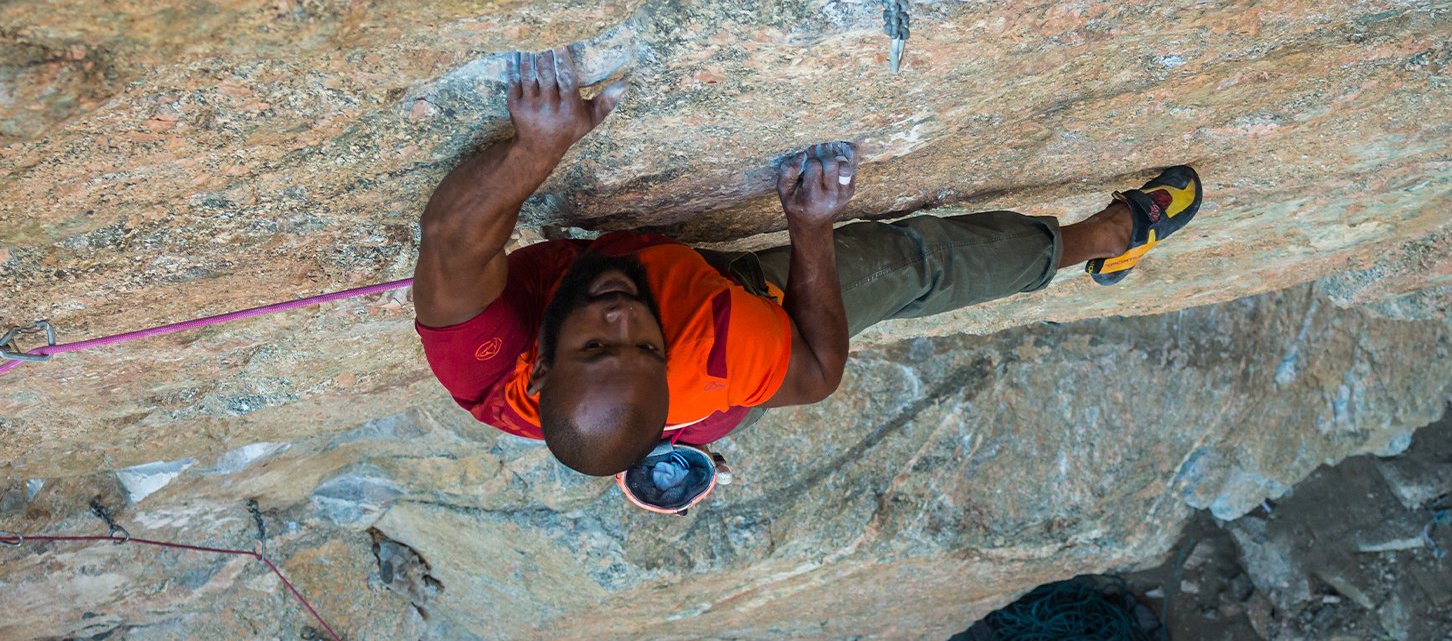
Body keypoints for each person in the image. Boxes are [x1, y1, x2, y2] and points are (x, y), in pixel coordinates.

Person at [414, 47, 1202, 480]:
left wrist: (537, 146)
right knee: (909, 265)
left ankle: (650, 456)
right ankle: (1108, 237)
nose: (623, 318)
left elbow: (454, 236)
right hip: (718, 317)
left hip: (659, 331)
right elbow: (820, 369)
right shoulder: (721, 352)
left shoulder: (486, 370)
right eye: (635, 346)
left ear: (543, 370)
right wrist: (812, 229)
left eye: (599, 343)